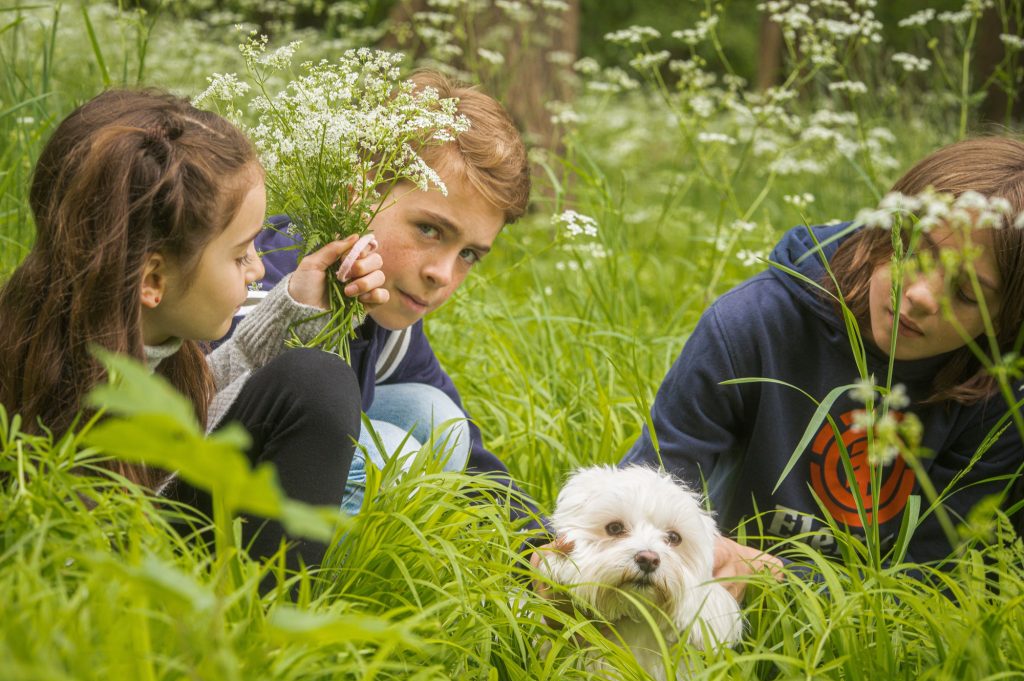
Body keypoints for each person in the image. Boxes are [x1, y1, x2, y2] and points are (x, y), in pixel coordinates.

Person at [0, 88, 388, 584]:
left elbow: (194, 412)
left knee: (317, 388)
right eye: (240, 252)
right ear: (152, 280)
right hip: (107, 599)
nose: (257, 269)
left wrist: (295, 307)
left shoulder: (113, 340)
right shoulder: (61, 404)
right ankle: (256, 643)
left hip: (142, 548)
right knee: (317, 387)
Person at [621, 137, 1024, 599]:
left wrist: (773, 577)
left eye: (967, 293)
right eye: (913, 250)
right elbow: (642, 503)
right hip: (709, 613)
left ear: (1007, 317)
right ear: (883, 228)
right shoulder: (753, 323)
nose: (921, 296)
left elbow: (932, 586)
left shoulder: (1004, 398)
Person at [241, 70, 545, 528]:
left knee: (440, 420)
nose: (441, 274)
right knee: (392, 454)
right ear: (359, 191)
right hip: (219, 486)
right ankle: (335, 584)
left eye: (468, 254)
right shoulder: (260, 276)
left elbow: (473, 457)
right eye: (429, 229)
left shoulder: (390, 316)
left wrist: (536, 543)